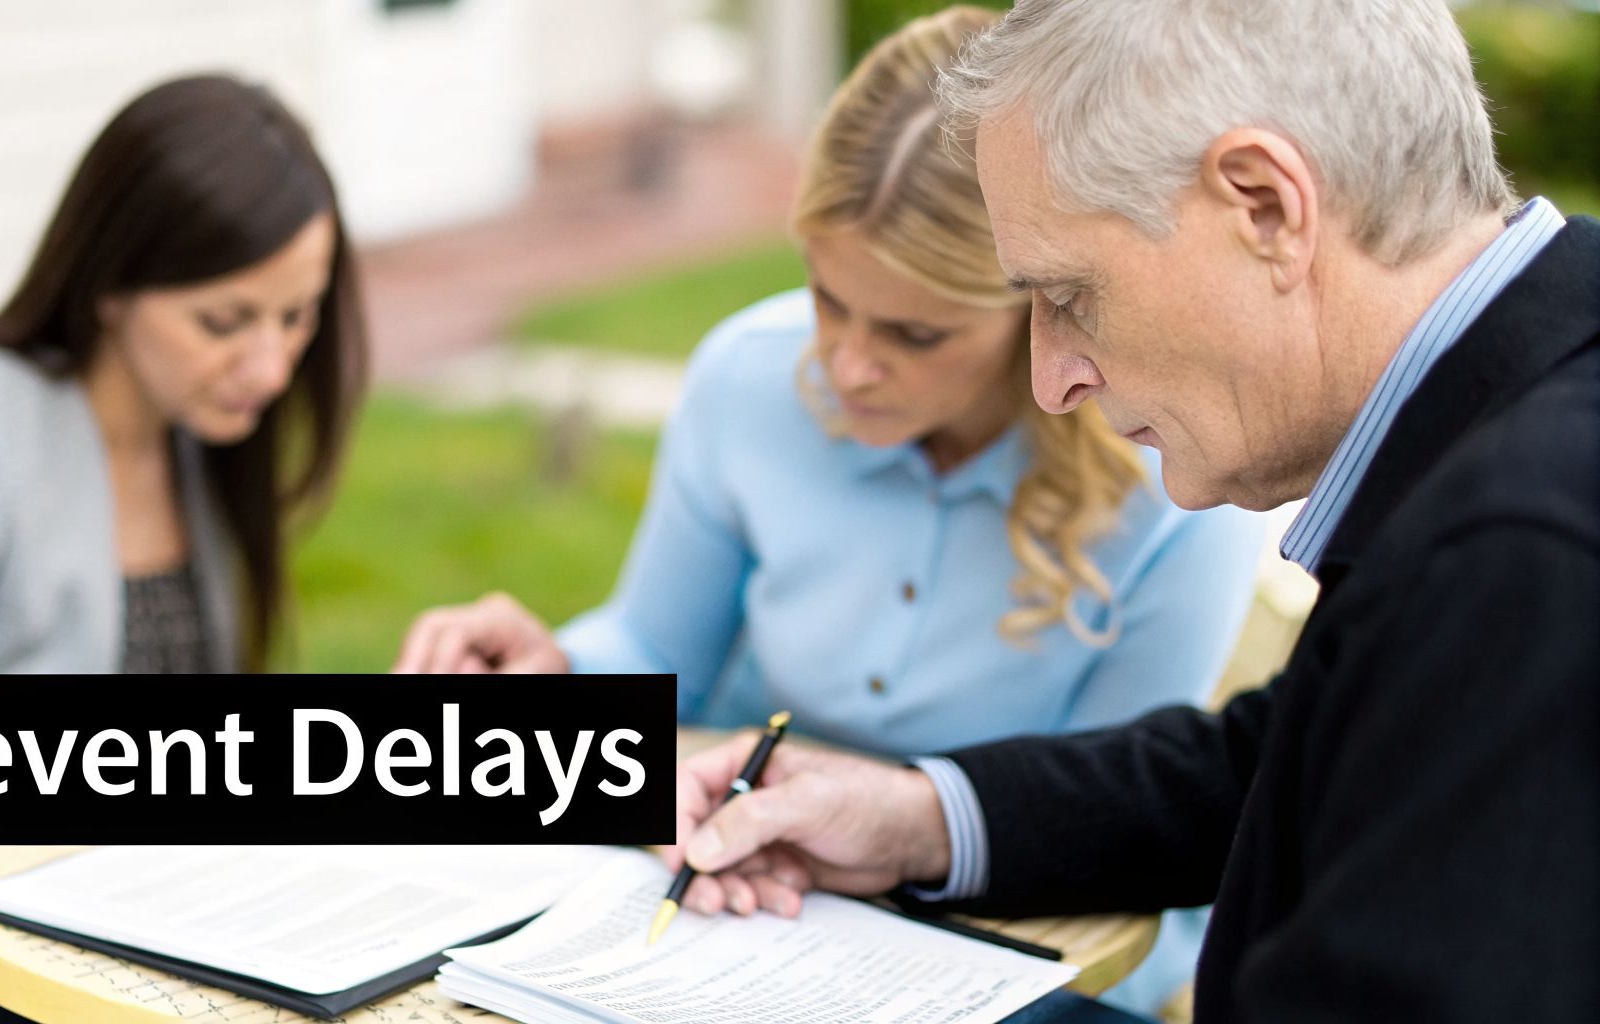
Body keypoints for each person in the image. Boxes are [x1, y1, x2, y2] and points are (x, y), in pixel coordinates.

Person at [666, 1, 1600, 1021]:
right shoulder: (1498, 453)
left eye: (1067, 296)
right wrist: (912, 816)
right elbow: (1283, 759)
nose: (1052, 378)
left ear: (1263, 208)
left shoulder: (1518, 550)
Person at [394, 8, 1264, 1013]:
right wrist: (559, 676)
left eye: (912, 332)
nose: (846, 364)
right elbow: (651, 640)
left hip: (1035, 944)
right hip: (743, 907)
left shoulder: (1170, 479)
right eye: (824, 296)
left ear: (1040, 305)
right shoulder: (748, 380)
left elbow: (1106, 816)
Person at [0, 74, 368, 1020]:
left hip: (121, 951)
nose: (270, 366)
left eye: (296, 316)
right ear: (111, 288)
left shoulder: (198, 438)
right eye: (224, 322)